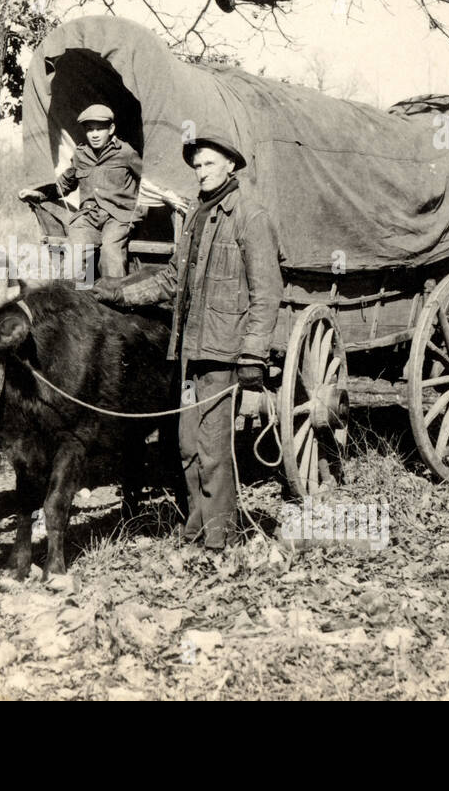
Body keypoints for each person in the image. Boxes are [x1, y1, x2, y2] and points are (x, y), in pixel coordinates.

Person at [93, 136, 281, 551]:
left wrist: (253, 353)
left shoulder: (249, 215)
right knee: (187, 446)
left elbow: (267, 293)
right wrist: (120, 295)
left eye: (210, 163)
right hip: (188, 350)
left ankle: (219, 539)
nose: (202, 171)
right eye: (197, 166)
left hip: (224, 352)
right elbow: (171, 280)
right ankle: (196, 530)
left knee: (213, 450)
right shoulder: (197, 214)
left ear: (231, 165)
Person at [19, 103, 141, 278]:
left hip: (118, 217)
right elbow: (63, 185)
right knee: (73, 257)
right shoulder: (81, 154)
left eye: (100, 129)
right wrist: (37, 194)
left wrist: (139, 210)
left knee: (110, 254)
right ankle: (75, 301)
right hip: (88, 218)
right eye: (90, 130)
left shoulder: (126, 153)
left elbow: (146, 181)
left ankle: (114, 300)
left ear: (111, 129)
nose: (95, 134)